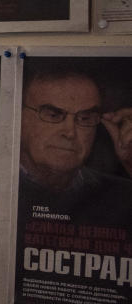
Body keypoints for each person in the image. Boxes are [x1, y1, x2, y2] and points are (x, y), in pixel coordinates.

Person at [18, 63, 132, 225]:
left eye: (85, 118)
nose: (70, 132)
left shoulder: (123, 195)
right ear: (19, 117)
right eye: (53, 115)